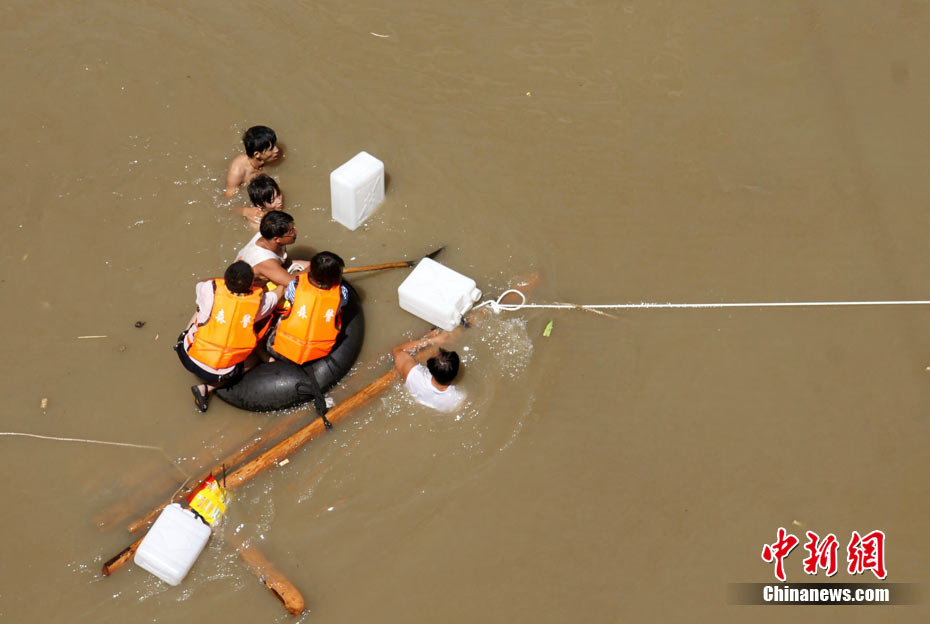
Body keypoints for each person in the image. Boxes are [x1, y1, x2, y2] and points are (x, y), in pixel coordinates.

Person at [175, 261, 283, 412]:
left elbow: (203, 283)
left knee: (201, 311)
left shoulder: (209, 289)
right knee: (255, 357)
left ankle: (183, 341)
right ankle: (208, 387)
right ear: (251, 284)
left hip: (187, 356)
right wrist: (277, 279)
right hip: (218, 374)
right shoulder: (259, 304)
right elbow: (280, 290)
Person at [265, 252, 349, 365]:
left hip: (280, 348)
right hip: (317, 354)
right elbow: (342, 305)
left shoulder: (295, 285)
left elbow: (288, 297)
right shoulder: (342, 293)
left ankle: (265, 357)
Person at [392, 330, 466, 413]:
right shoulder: (456, 400)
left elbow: (398, 350)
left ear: (429, 368)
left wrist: (432, 340)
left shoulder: (413, 374)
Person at [235, 211, 309, 288]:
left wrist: (312, 265)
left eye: (293, 228)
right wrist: (312, 268)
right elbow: (293, 283)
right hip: (248, 288)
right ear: (277, 239)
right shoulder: (264, 259)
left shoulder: (270, 235)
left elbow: (286, 263)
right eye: (291, 231)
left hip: (270, 270)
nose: (296, 232)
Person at [225, 125, 282, 198]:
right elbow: (230, 198)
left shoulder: (273, 156)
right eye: (271, 149)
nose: (277, 150)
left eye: (275, 145)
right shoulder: (237, 172)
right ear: (257, 154)